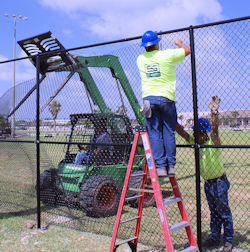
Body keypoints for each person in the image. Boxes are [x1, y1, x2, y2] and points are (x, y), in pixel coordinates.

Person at [175, 96, 234, 252]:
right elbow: (182, 132)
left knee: (224, 212)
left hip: (219, 183)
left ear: (204, 134)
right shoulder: (196, 143)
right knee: (214, 212)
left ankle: (228, 241)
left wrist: (214, 113)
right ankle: (214, 238)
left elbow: (215, 130)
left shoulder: (212, 144)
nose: (195, 136)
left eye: (197, 134)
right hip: (208, 183)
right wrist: (169, 116)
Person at [137, 30, 191, 177]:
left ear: (145, 46)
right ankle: (171, 166)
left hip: (149, 100)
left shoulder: (140, 59)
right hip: (166, 98)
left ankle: (160, 167)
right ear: (157, 43)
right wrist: (179, 43)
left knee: (154, 132)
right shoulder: (166, 55)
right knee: (168, 131)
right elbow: (187, 51)